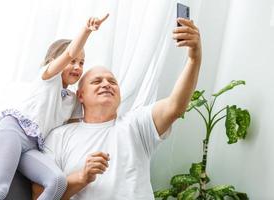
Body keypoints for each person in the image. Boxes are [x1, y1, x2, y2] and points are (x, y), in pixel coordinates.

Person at [33, 17, 201, 200]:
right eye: (97, 81)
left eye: (112, 81)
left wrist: (194, 58)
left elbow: (175, 106)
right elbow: (39, 195)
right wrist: (82, 177)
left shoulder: (136, 124)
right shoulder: (59, 136)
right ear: (80, 95)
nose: (106, 84)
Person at [0, 14, 109, 200]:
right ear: (53, 61)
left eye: (81, 63)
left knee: (57, 180)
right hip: (12, 133)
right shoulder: (48, 78)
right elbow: (69, 53)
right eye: (73, 62)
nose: (77, 66)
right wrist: (87, 31)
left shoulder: (72, 100)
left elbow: (75, 131)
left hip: (33, 146)